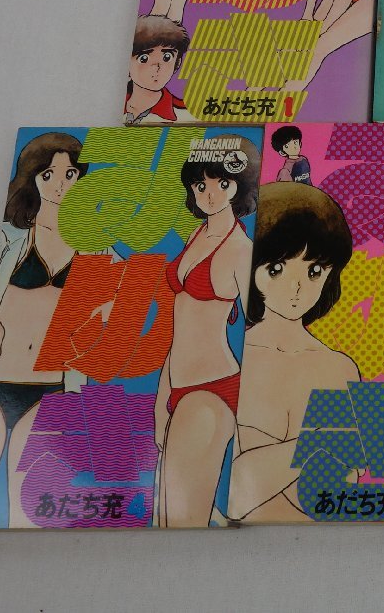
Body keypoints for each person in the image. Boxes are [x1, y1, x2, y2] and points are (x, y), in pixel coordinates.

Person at [0, 133, 91, 529]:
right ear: (32, 179)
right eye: (49, 175)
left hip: (51, 390)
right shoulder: (8, 238)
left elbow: (118, 315)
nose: (61, 184)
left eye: (70, 174)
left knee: (27, 517)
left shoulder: (96, 251)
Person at [229, 182, 358, 522]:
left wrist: (267, 459)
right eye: (276, 269)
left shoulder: (344, 368)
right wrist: (317, 443)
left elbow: (347, 492)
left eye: (314, 271)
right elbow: (233, 495)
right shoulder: (232, 358)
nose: (296, 287)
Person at [156, 135, 258, 527]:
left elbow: (259, 329)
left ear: (238, 186)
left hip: (212, 390)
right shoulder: (196, 236)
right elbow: (181, 328)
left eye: (221, 183)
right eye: (201, 185)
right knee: (166, 517)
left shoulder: (240, 250)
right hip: (177, 387)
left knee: (180, 522)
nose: (209, 194)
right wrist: (161, 401)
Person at [126, 15, 192, 124]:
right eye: (144, 58)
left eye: (167, 57)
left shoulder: (184, 114)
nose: (156, 67)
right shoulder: (111, 103)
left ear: (177, 63)